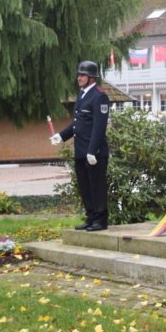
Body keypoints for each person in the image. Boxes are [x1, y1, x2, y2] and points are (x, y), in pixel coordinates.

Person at [50, 61, 110, 231]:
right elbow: (78, 124)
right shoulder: (82, 95)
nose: (79, 78)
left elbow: (99, 126)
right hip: (81, 151)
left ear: (91, 78)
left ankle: (100, 220)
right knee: (85, 187)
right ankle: (91, 218)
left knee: (97, 186)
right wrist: (61, 136)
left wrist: (92, 151)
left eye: (83, 75)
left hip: (94, 153)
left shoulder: (99, 96)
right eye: (78, 75)